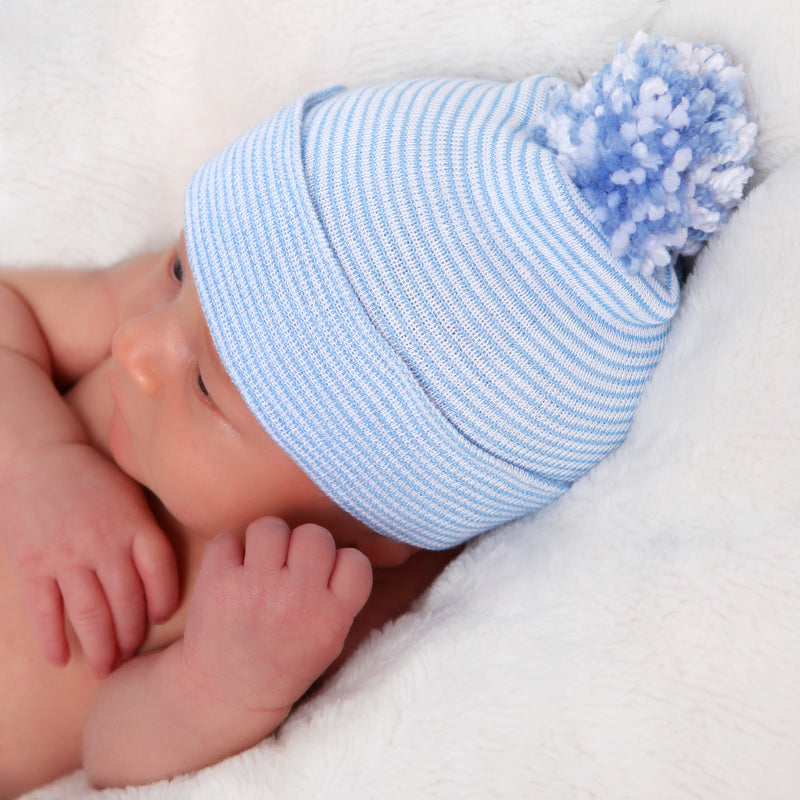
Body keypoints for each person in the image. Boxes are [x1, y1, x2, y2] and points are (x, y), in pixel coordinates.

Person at [0, 31, 756, 797]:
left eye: (205, 390)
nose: (135, 342)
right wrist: (38, 460)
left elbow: (112, 756)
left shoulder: (291, 592)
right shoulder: (181, 314)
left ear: (370, 524)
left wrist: (215, 686)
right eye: (177, 268)